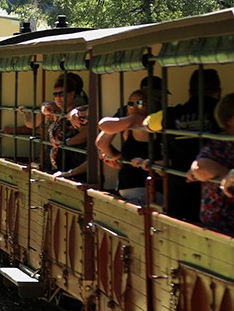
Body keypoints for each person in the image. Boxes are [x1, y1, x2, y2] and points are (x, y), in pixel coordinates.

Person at [143, 68, 222, 222]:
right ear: (218, 92)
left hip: (178, 190)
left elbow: (147, 123)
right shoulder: (224, 114)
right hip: (216, 193)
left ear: (190, 92)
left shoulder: (172, 114)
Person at [97, 88, 161, 205]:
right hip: (133, 192)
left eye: (140, 103)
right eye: (131, 104)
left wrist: (128, 119)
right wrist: (118, 155)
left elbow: (103, 125)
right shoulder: (130, 127)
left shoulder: (141, 121)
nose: (135, 107)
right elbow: (101, 143)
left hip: (145, 192)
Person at [185, 92, 234, 236]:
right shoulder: (219, 143)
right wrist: (227, 175)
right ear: (229, 119)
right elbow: (200, 168)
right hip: (221, 223)